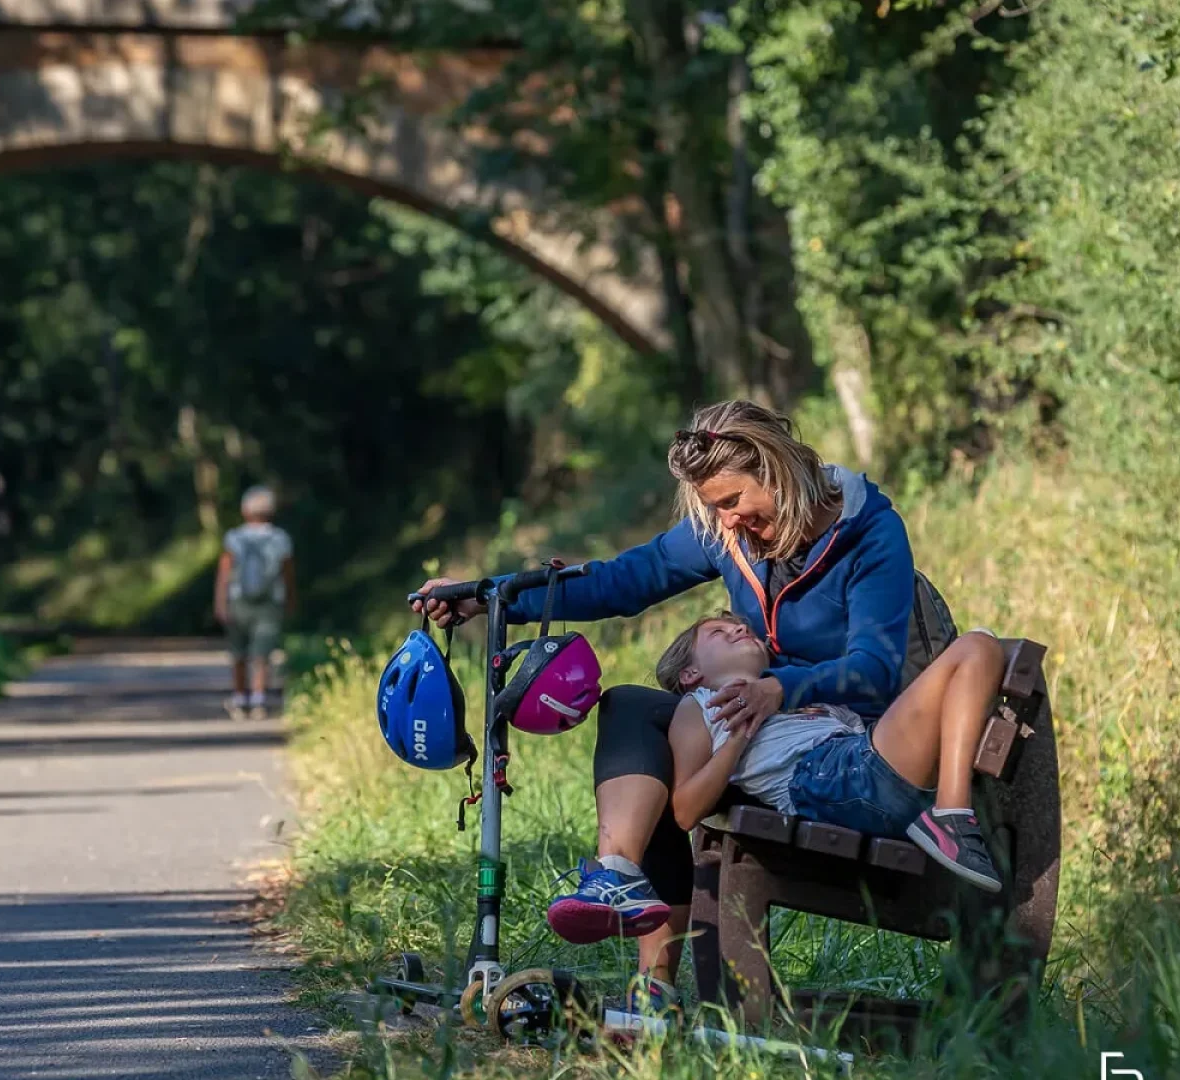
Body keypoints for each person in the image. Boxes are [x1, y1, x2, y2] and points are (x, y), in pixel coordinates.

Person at [415, 399, 918, 1013]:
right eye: (713, 510)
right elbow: (625, 579)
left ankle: (655, 971)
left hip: (832, 742)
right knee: (631, 707)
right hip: (750, 724)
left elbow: (875, 668)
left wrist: (782, 688)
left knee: (662, 733)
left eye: (733, 502)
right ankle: (627, 904)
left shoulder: (869, 534)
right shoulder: (725, 534)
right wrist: (489, 595)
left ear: (778, 470)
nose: (727, 523)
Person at [661, 613, 1006, 890]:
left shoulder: (787, 694)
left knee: (981, 643)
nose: (738, 627)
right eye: (718, 632)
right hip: (827, 775)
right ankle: (952, 815)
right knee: (975, 647)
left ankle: (948, 812)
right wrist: (737, 738)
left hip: (862, 763)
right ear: (691, 673)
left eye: (739, 625)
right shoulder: (700, 706)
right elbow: (685, 811)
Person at [215, 485, 296, 719]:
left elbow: (224, 572)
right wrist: (291, 599)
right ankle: (259, 699)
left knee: (238, 652)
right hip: (270, 602)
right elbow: (287, 573)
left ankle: (240, 698)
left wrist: (220, 603)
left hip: (238, 601)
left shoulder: (234, 538)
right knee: (262, 653)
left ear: (245, 511)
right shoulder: (280, 538)